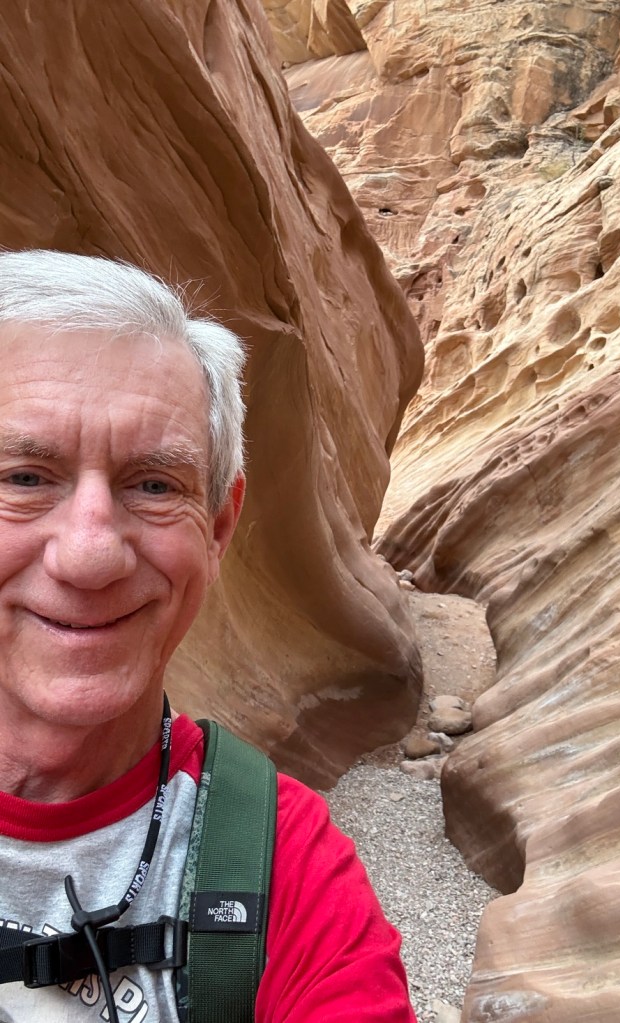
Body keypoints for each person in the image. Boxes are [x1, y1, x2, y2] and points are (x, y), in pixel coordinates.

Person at [0, 249, 417, 1022]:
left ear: (219, 526)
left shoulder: (285, 869)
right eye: (25, 477)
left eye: (155, 485)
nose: (91, 554)